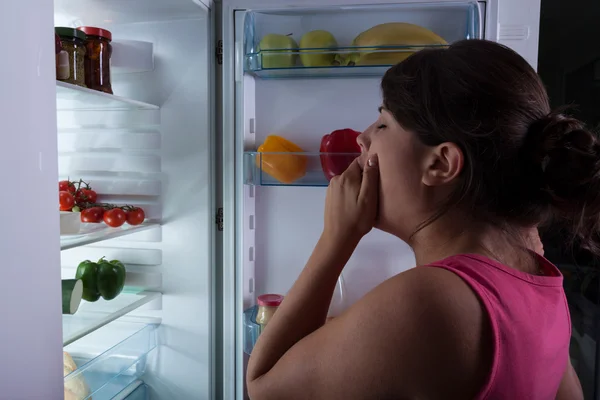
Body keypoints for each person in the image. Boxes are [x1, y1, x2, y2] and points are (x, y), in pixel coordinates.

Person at [246, 39, 590, 399]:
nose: (363, 137)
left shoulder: (431, 302)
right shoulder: (539, 277)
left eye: (383, 124)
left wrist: (337, 237)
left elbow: (264, 387)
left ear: (440, 164)